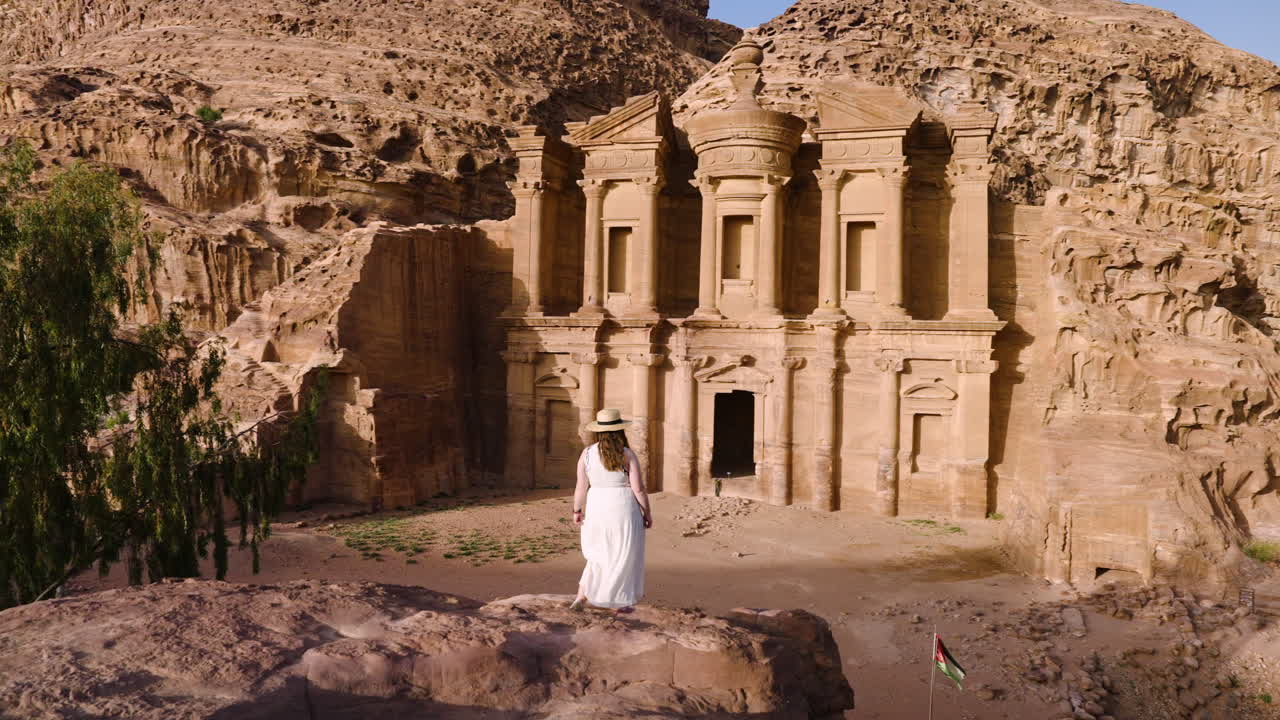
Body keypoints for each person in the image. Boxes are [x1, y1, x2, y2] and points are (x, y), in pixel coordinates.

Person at [570, 408, 652, 613]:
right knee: (622, 552)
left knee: (598, 553)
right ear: (620, 431)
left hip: (597, 503)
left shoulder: (587, 454)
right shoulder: (626, 454)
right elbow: (638, 489)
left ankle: (581, 596)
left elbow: (581, 486)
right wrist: (647, 513)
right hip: (623, 505)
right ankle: (620, 601)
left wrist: (577, 510)